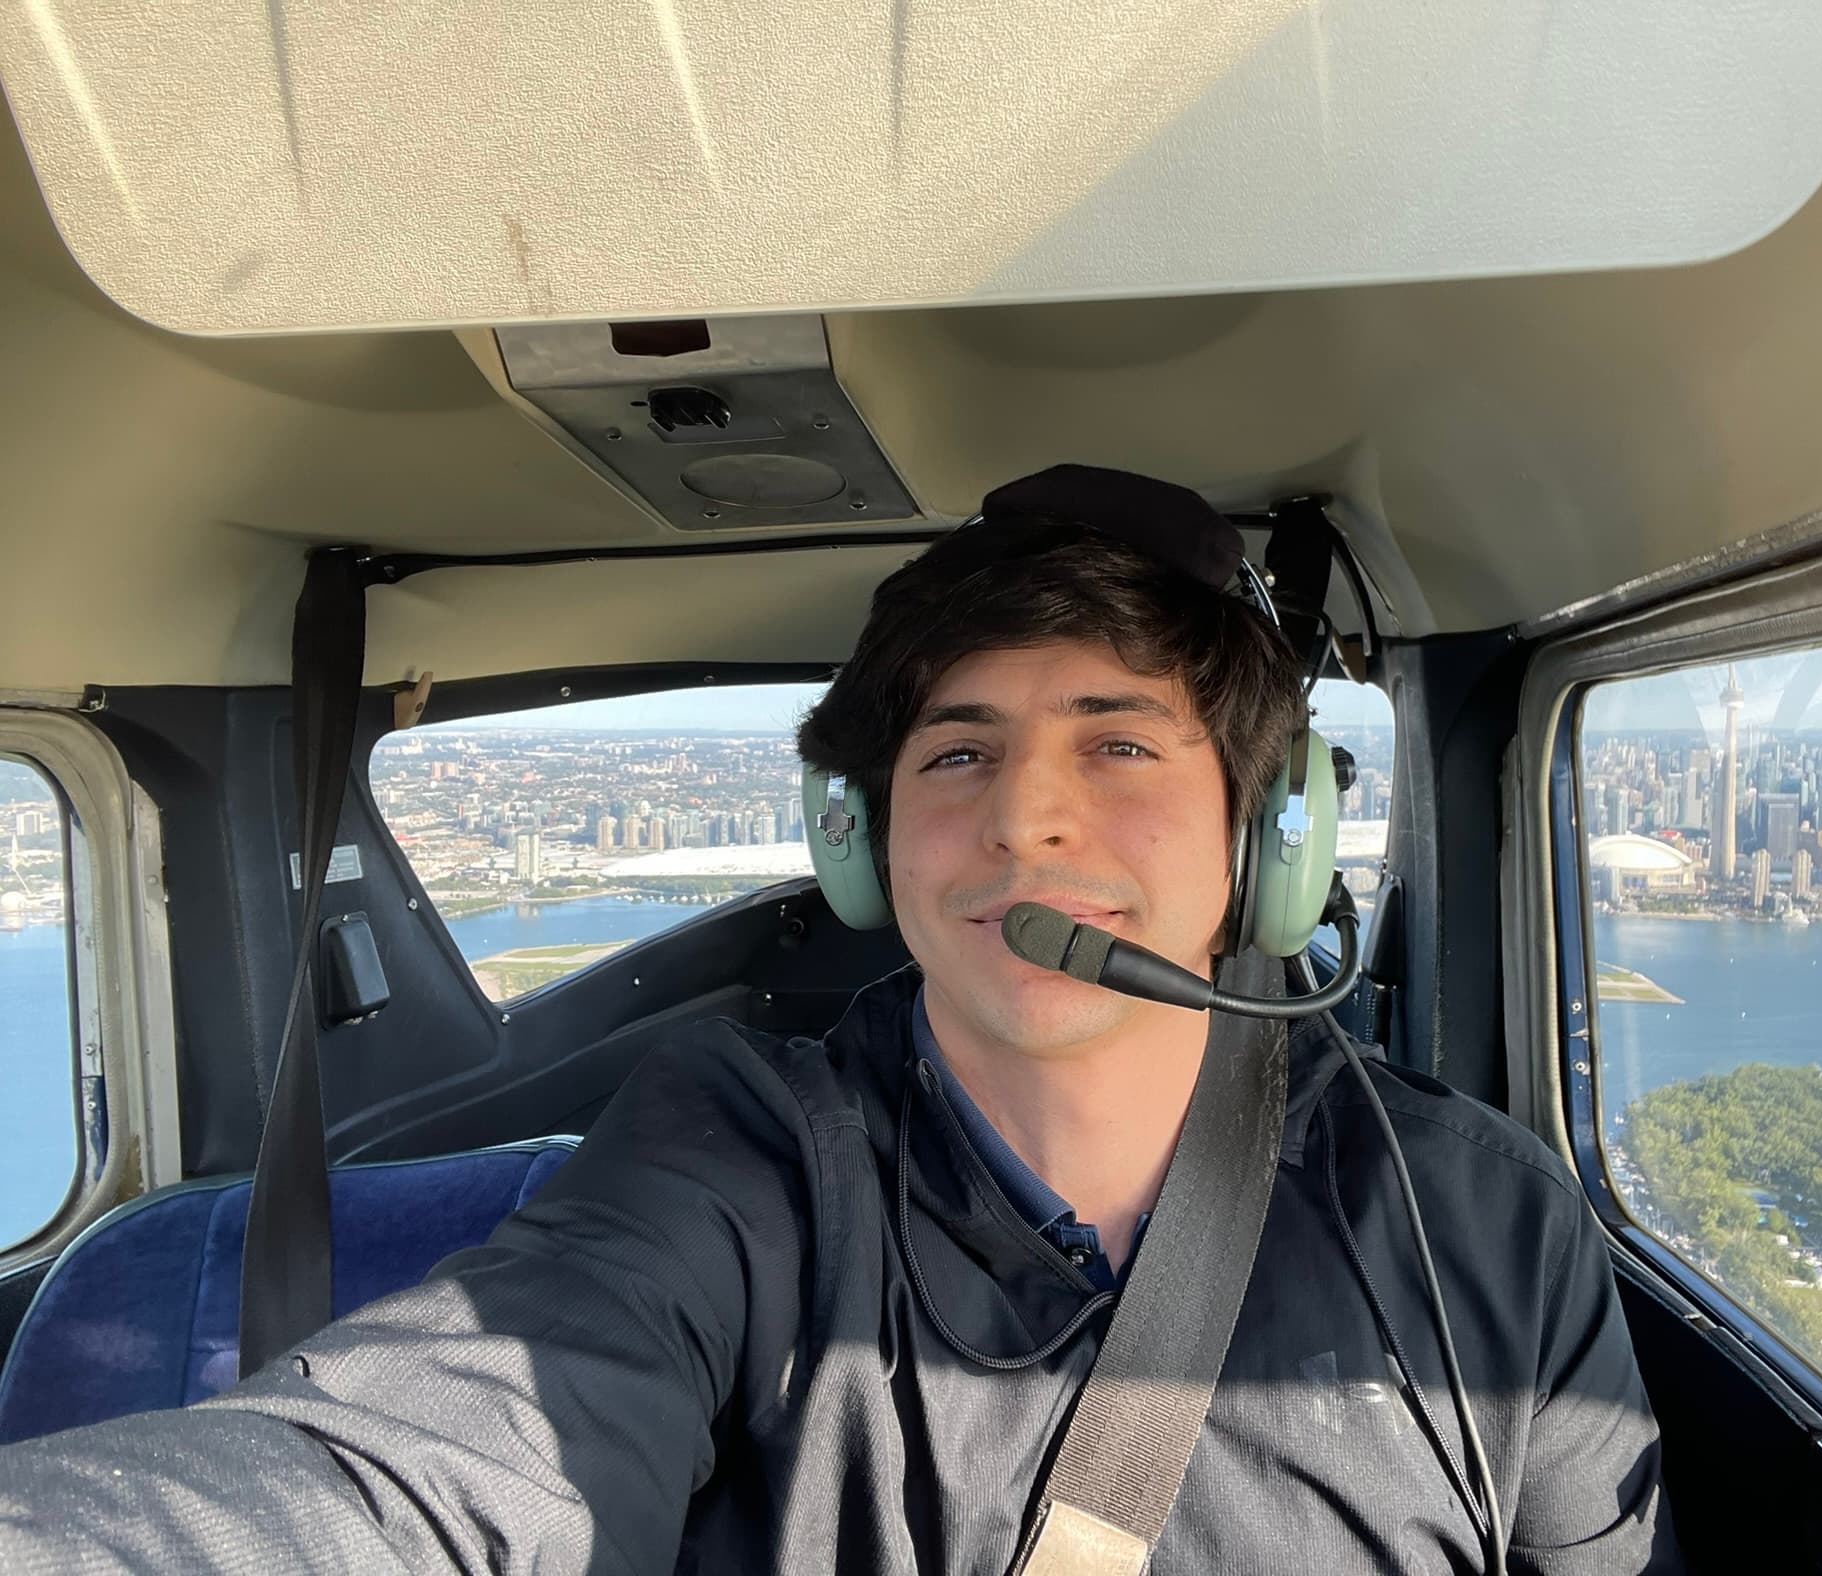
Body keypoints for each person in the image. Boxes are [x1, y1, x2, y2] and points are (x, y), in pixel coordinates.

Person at [0, 466, 1680, 1573]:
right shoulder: (732, 1158)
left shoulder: (1475, 1218)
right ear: (865, 845)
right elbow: (431, 1462)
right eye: (955, 754)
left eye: (1119, 740)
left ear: (1271, 836)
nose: (1026, 818)